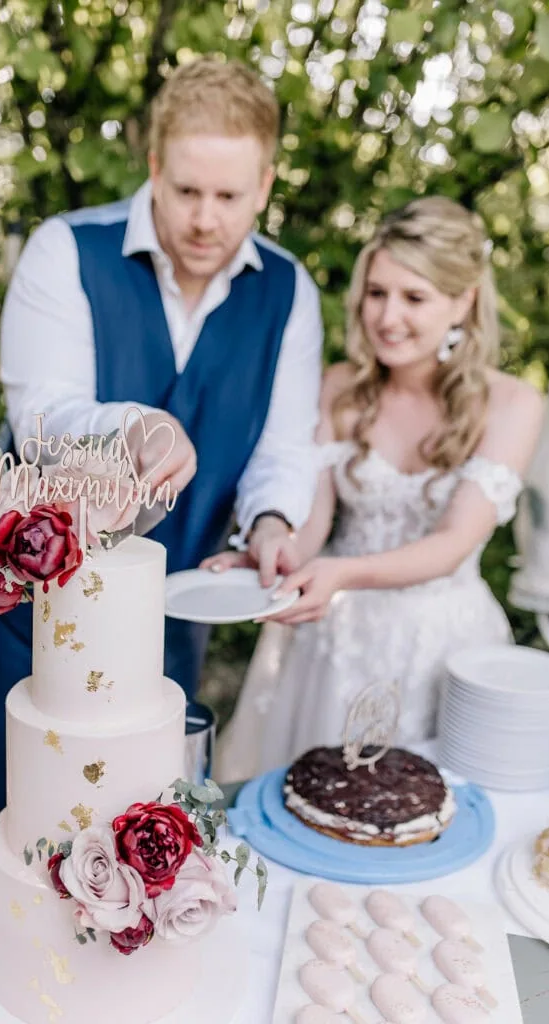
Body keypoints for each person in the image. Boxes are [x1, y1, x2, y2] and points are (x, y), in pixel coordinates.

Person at [0, 57, 323, 825]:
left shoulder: (289, 294)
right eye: (186, 190)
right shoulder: (65, 251)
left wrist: (270, 525)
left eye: (230, 196)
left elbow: (283, 450)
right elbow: (44, 418)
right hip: (28, 600)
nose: (205, 219)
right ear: (153, 165)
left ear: (263, 186)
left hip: (172, 598)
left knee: (145, 819)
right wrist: (133, 426)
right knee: (30, 818)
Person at [206, 196, 544, 783]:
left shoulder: (511, 404)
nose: (388, 317)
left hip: (443, 645)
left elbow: (454, 542)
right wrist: (276, 550)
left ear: (463, 300)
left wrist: (343, 575)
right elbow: (313, 522)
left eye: (414, 298)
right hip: (333, 645)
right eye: (377, 292)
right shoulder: (338, 388)